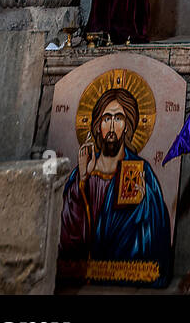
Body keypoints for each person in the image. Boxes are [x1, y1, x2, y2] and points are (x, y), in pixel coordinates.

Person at [59, 86, 171, 285]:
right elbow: (66, 226)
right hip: (82, 271)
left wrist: (144, 204)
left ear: (127, 126)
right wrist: (82, 181)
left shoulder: (139, 170)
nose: (111, 127)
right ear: (97, 125)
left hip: (128, 270)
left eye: (118, 118)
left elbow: (155, 230)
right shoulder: (82, 172)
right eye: (106, 119)